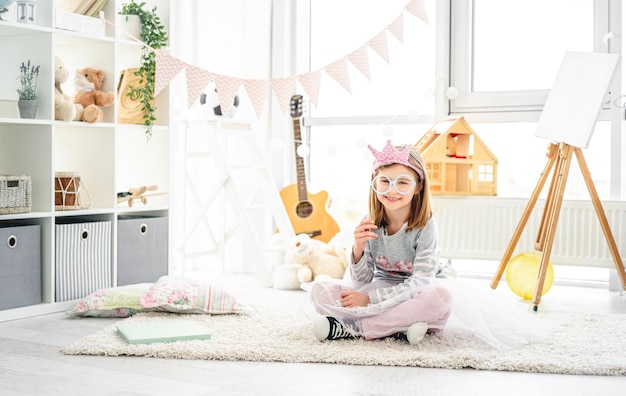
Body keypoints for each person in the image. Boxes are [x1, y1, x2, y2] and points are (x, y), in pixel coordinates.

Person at [309, 139, 453, 345]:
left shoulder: (426, 225)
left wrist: (371, 300)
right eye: (385, 181)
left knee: (440, 298)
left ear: (418, 186)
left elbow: (421, 282)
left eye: (402, 182)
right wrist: (358, 249)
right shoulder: (371, 220)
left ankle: (356, 328)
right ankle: (397, 327)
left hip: (415, 291)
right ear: (375, 182)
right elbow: (361, 282)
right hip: (382, 284)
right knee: (320, 290)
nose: (392, 191)